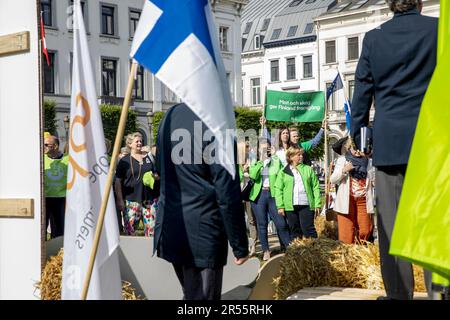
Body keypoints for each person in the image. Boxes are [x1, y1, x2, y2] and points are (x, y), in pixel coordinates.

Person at [350, 0, 437, 300]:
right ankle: (440, 292)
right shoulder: (439, 31)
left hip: (389, 146)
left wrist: (358, 136)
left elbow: (361, 92)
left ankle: (400, 295)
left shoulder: (374, 39)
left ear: (390, 5)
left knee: (393, 228)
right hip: (431, 145)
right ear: (420, 3)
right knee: (432, 225)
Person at [154, 103, 249, 300]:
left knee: (192, 295)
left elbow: (160, 170)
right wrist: (239, 244)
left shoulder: (169, 115)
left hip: (171, 226)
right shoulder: (216, 123)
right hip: (203, 230)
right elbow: (227, 192)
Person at [248, 138, 291, 261]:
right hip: (259, 195)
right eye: (262, 148)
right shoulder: (255, 160)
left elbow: (284, 170)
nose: (264, 150)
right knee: (262, 224)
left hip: (273, 194)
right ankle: (266, 250)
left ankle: (289, 247)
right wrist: (261, 162)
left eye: (266, 147)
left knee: (281, 223)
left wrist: (274, 157)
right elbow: (252, 175)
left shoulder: (275, 160)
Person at [330, 137, 375, 244]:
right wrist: (344, 170)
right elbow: (333, 179)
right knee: (346, 233)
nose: (358, 151)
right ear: (349, 148)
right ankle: (348, 253)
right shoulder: (342, 160)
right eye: (355, 149)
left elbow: (374, 180)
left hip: (363, 200)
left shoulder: (369, 162)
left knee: (366, 229)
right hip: (346, 200)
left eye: (361, 149)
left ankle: (359, 248)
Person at [114, 132, 159, 237]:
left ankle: (149, 252)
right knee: (130, 231)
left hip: (149, 200)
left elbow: (158, 173)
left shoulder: (149, 158)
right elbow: (118, 181)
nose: (140, 143)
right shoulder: (124, 161)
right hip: (131, 201)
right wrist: (120, 199)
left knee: (151, 231)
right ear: (130, 144)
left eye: (141, 141)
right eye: (137, 141)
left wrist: (155, 176)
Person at [274, 146, 321, 240]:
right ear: (291, 157)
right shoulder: (283, 172)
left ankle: (314, 251)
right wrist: (280, 206)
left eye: (301, 154)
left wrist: (317, 204)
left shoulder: (308, 169)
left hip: (306, 204)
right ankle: (297, 251)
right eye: (298, 155)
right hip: (290, 206)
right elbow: (278, 189)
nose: (301, 156)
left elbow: (315, 187)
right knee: (295, 231)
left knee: (308, 230)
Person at [260, 117, 324, 166]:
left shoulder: (301, 146)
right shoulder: (279, 146)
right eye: (294, 136)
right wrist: (264, 125)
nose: (296, 138)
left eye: (297, 136)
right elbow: (269, 138)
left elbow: (315, 141)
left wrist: (322, 128)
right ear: (288, 137)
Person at [44, 135, 68, 239]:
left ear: (55, 146)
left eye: (46, 145)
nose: (43, 147)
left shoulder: (68, 160)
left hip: (61, 199)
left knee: (59, 229)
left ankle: (58, 252)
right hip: (44, 199)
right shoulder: (40, 159)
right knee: (41, 228)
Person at [237, 140, 258, 256]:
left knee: (251, 220)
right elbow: (237, 178)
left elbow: (254, 176)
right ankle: (243, 244)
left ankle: (253, 245)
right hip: (237, 195)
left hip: (249, 194)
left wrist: (249, 171)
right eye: (245, 148)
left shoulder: (252, 161)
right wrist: (243, 171)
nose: (248, 150)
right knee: (239, 220)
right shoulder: (235, 163)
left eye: (248, 148)